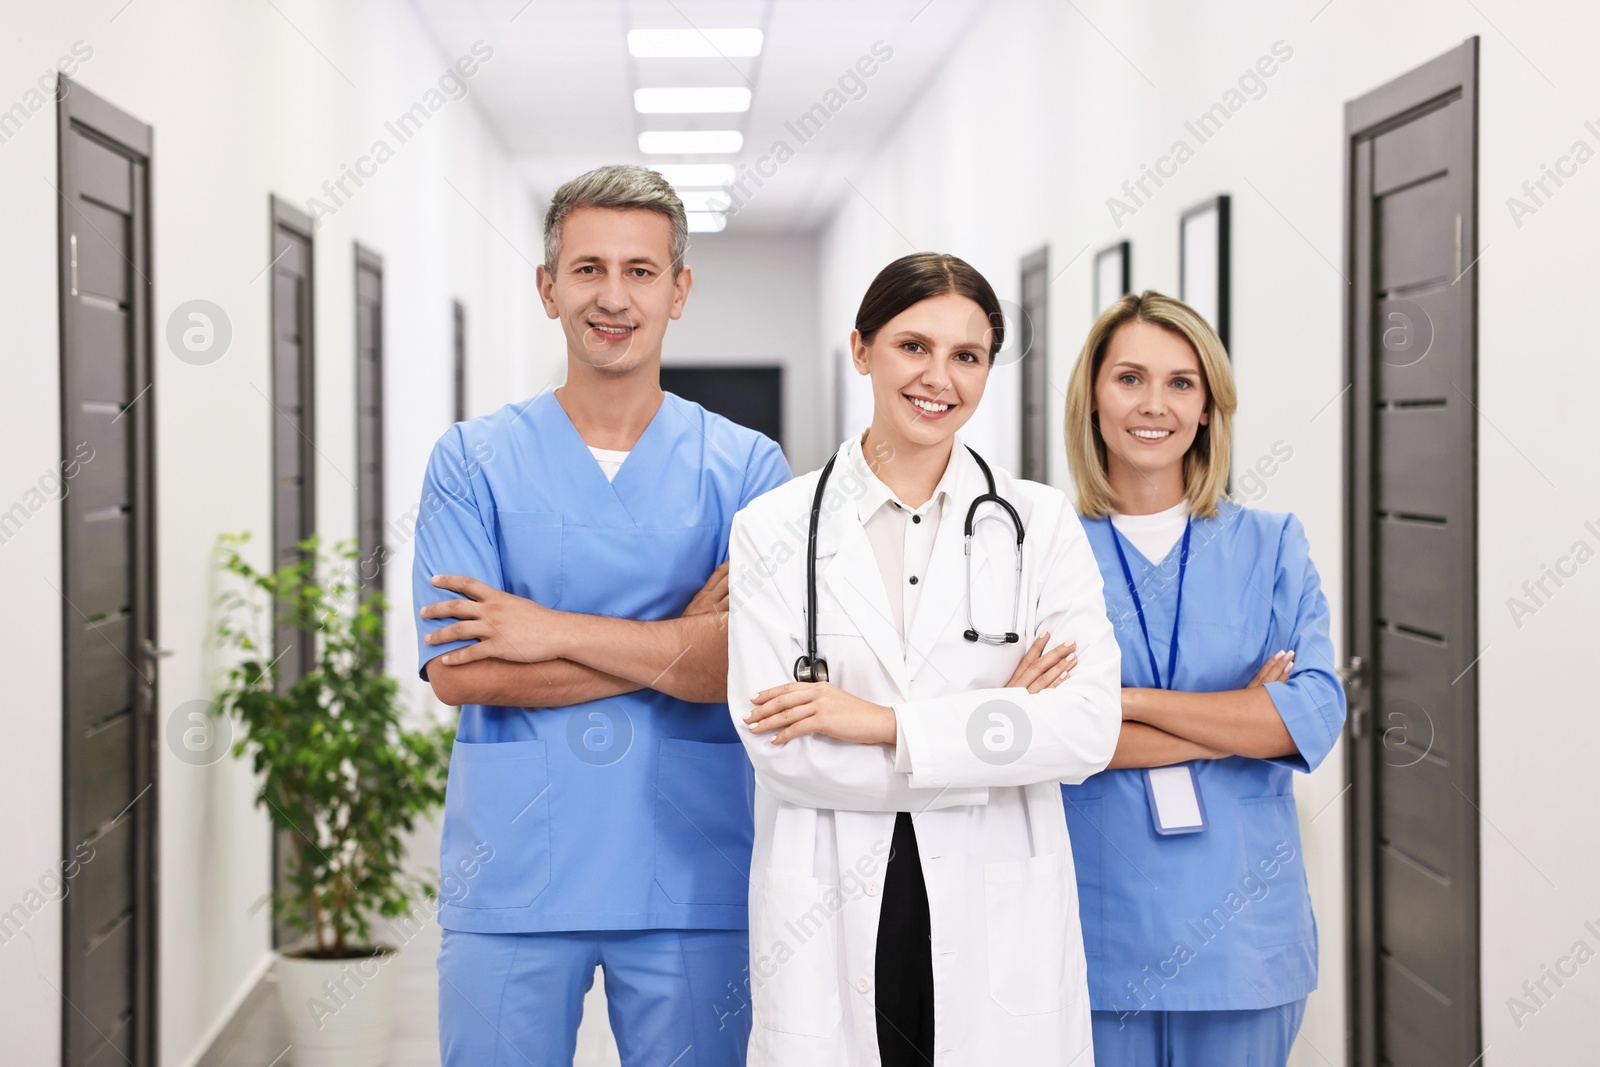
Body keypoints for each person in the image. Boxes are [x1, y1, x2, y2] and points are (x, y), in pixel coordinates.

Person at [411, 164, 790, 1067]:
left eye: (640, 270)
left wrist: (547, 627)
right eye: (586, 269)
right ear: (548, 288)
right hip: (510, 876)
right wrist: (677, 639)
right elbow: (462, 673)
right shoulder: (471, 460)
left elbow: (745, 665)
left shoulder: (746, 469)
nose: (612, 296)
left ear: (680, 289)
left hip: (690, 876)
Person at [728, 252, 1122, 1066]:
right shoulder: (773, 530)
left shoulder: (1039, 524)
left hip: (996, 891)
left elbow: (1086, 730)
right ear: (862, 347)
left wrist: (873, 722)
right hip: (830, 894)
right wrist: (1002, 726)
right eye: (913, 346)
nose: (938, 377)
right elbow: (786, 758)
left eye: (967, 356)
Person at [1058, 291, 1346, 1066]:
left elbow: (1309, 714)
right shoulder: (1042, 546)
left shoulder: (1272, 543)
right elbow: (1037, 733)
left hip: (1242, 938)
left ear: (1210, 406)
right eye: (1129, 378)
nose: (1155, 404)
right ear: (1092, 395)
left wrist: (1125, 705)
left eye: (1182, 383)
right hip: (1092, 931)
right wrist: (1238, 715)